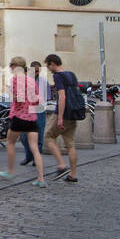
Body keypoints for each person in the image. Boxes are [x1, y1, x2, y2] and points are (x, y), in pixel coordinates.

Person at [0, 56, 44, 185]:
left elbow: (19, 99)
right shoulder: (31, 81)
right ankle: (41, 179)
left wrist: (10, 93)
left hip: (19, 116)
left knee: (10, 142)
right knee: (34, 147)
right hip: (31, 117)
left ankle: (10, 172)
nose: (10, 68)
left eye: (11, 66)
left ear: (15, 66)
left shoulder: (15, 80)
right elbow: (37, 100)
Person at [43, 54, 79, 183]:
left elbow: (62, 97)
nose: (48, 69)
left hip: (63, 113)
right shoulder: (71, 74)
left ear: (53, 63)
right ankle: (73, 175)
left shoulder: (58, 76)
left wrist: (60, 117)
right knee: (70, 144)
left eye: (48, 66)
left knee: (48, 136)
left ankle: (61, 165)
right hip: (74, 113)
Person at [21, 61, 48, 165]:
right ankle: (29, 156)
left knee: (39, 137)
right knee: (24, 136)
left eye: (38, 71)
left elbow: (46, 97)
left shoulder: (44, 82)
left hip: (40, 110)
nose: (37, 73)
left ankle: (37, 159)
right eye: (35, 71)